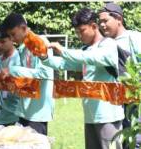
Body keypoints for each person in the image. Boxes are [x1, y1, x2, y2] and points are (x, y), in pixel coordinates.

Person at [42, 8, 124, 149]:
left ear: (94, 26)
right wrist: (44, 58)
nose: (79, 35)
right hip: (90, 116)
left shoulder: (108, 45)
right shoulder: (86, 50)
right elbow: (65, 63)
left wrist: (63, 50)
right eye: (77, 32)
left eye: (82, 31)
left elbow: (93, 58)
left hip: (108, 117)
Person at [1, 13, 54, 135]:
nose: (12, 39)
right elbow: (28, 76)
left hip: (37, 112)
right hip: (24, 109)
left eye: (13, 34)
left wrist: (13, 70)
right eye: (10, 36)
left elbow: (44, 73)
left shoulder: (40, 42)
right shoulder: (23, 48)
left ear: (24, 28)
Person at [98, 2, 141, 149]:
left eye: (105, 21)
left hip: (135, 102)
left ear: (119, 19)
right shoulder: (104, 44)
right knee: (124, 141)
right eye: (100, 22)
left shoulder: (133, 38)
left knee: (136, 140)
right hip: (116, 103)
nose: (102, 25)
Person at [0, 24, 21, 131]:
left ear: (12, 39)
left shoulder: (20, 59)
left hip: (18, 117)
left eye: (3, 41)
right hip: (1, 118)